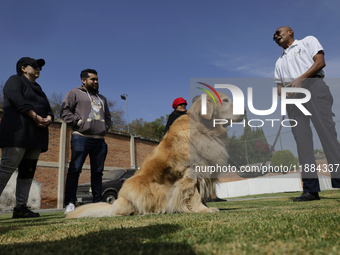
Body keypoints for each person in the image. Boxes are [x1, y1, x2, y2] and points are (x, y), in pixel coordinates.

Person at [273, 26, 340, 201]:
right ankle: (310, 190)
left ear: (290, 32)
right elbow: (279, 87)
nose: (276, 35)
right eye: (275, 35)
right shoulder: (279, 62)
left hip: (314, 89)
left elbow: (320, 63)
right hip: (294, 101)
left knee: (328, 136)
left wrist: (300, 80)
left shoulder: (308, 41)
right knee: (302, 144)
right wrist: (285, 94)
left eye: (279, 32)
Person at [0, 57, 54, 218]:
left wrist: (48, 119)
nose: (39, 69)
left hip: (35, 136)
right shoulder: (14, 81)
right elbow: (18, 101)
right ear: (23, 68)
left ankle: (20, 208)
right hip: (17, 133)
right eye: (35, 66)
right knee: (7, 167)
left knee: (27, 171)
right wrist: (35, 116)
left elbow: (49, 109)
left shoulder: (39, 88)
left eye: (40, 67)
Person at [60, 69, 112, 213]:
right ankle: (70, 202)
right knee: (75, 170)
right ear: (83, 80)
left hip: (100, 140)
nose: (96, 82)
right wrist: (78, 122)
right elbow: (64, 112)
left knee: (98, 172)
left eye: (97, 79)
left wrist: (106, 127)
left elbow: (108, 116)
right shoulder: (74, 93)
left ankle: (97, 202)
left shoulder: (102, 98)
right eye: (92, 79)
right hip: (81, 137)